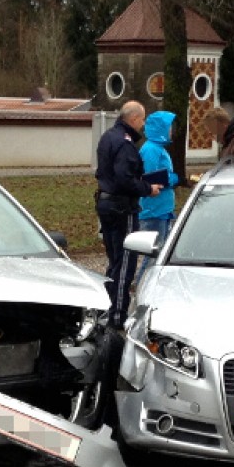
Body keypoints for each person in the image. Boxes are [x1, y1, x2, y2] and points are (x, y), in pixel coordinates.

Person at [95, 100, 162, 329]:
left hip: (105, 204)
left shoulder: (108, 137)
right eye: (142, 120)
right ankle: (117, 316)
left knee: (114, 261)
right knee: (125, 263)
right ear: (133, 119)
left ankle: (106, 307)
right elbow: (125, 179)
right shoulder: (125, 144)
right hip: (122, 207)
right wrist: (147, 189)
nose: (143, 125)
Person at [136, 110, 179, 286]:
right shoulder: (151, 150)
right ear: (161, 128)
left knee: (160, 251)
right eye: (169, 127)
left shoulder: (157, 148)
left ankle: (150, 284)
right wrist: (172, 178)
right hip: (153, 209)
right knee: (155, 252)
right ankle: (142, 284)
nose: (171, 130)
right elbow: (150, 177)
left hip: (161, 208)